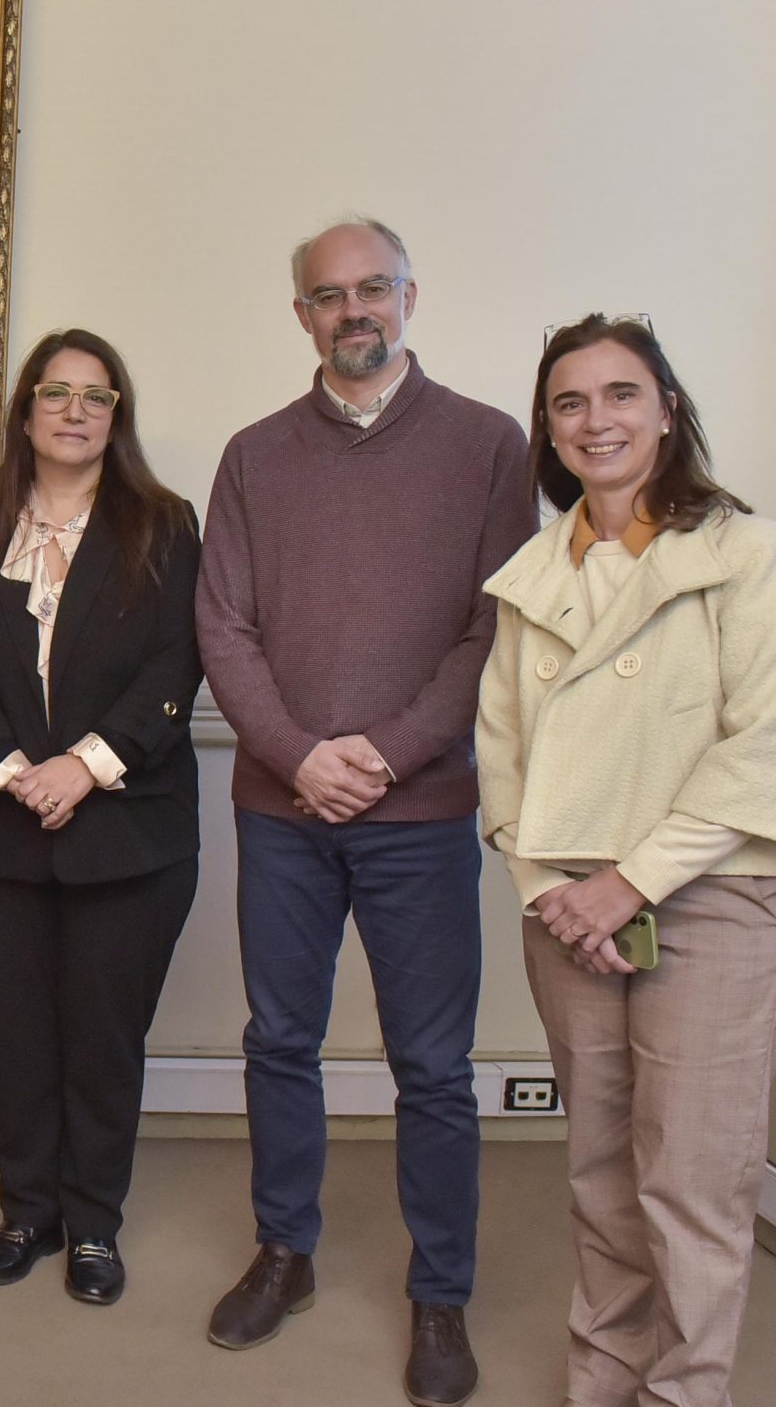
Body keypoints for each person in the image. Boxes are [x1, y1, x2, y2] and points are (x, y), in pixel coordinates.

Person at [194, 217, 533, 1406]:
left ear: (409, 297)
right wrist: (299, 758)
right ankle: (283, 1252)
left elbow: (491, 631)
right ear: (300, 315)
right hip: (279, 815)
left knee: (432, 1067)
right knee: (277, 1042)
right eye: (328, 295)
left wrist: (380, 758)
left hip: (422, 813)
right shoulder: (252, 456)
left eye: (372, 290)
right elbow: (221, 628)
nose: (353, 312)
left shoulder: (491, 447)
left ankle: (438, 1296)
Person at [478, 316, 776, 1407]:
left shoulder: (743, 552)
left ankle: (684, 1393)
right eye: (570, 402)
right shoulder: (534, 573)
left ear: (667, 410)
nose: (597, 420)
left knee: (691, 1181)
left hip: (715, 897)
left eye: (621, 395)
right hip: (569, 909)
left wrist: (625, 886)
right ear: (548, 427)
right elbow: (501, 752)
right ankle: (604, 1380)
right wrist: (553, 895)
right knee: (599, 1175)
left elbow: (765, 743)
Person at [0, 329, 201, 1306]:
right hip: (2, 827)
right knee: (22, 1031)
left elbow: (177, 666)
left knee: (100, 1037)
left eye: (97, 396)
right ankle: (25, 1214)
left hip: (129, 830)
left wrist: (81, 770)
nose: (76, 411)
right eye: (57, 394)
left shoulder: (164, 527)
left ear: (115, 415)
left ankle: (92, 1224)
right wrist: (12, 769)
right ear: (26, 413)